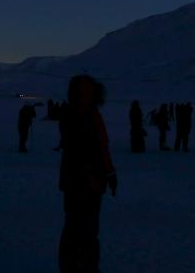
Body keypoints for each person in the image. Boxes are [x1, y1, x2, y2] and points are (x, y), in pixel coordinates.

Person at [58, 75, 116, 273]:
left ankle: (73, 266)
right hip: (88, 182)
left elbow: (97, 147)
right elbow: (98, 147)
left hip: (75, 180)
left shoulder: (71, 114)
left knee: (75, 227)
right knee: (85, 230)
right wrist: (107, 173)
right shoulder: (87, 116)